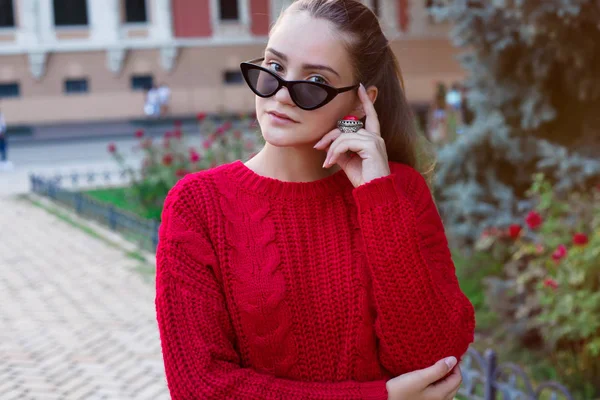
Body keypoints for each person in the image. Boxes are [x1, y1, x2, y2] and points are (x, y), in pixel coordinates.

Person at [155, 0, 475, 399]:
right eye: (274, 67)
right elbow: (200, 387)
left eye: (316, 81)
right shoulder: (198, 206)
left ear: (362, 102)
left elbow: (432, 360)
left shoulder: (399, 192)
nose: (283, 94)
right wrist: (381, 398)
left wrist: (378, 198)